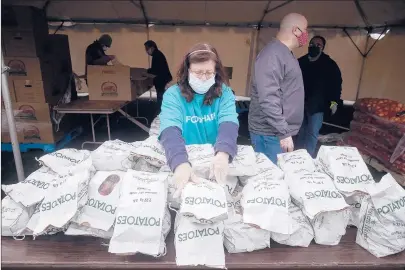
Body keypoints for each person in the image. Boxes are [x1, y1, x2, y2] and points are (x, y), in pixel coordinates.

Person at [159, 43, 239, 196]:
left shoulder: (225, 93)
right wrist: (180, 163)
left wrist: (223, 154)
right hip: (183, 156)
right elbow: (170, 129)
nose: (203, 78)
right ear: (187, 71)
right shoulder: (173, 95)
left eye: (209, 73)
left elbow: (228, 123)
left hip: (215, 159)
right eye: (197, 72)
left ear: (216, 72)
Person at [248, 13, 308, 163]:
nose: (306, 35)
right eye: (305, 30)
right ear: (296, 30)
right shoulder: (272, 54)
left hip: (278, 133)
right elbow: (268, 98)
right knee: (270, 181)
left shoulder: (285, 53)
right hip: (270, 134)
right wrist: (284, 132)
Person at [296, 36, 343, 157]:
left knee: (312, 132)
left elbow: (336, 85)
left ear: (323, 48)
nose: (314, 46)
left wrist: (334, 102)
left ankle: (309, 157)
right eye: (312, 43)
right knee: (300, 131)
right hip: (300, 104)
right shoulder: (301, 62)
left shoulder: (329, 64)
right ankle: (297, 156)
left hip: (317, 106)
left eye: (318, 45)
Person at [144, 40, 173, 114]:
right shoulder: (157, 54)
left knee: (160, 95)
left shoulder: (157, 55)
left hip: (162, 79)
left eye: (147, 49)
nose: (146, 51)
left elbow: (155, 70)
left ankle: (161, 110)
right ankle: (162, 109)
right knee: (161, 94)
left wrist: (147, 71)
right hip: (163, 78)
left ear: (152, 48)